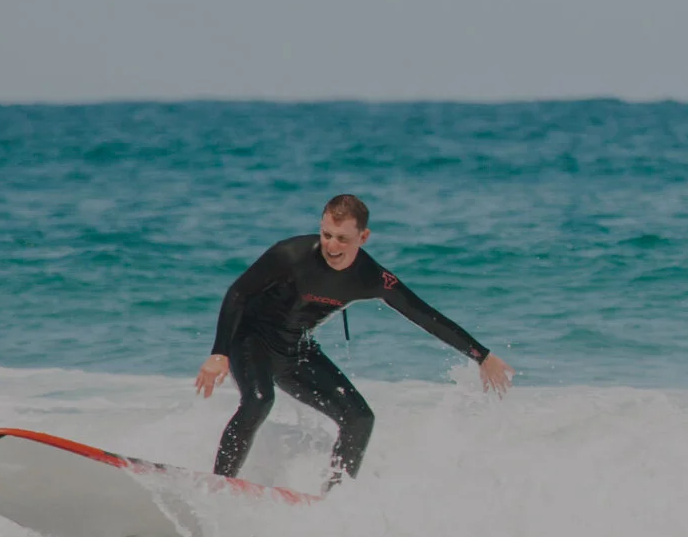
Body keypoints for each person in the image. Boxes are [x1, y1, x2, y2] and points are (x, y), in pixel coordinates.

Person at [193, 194, 514, 488]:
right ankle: (220, 486)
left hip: (297, 350)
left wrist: (482, 356)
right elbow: (238, 293)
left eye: (342, 239)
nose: (332, 246)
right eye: (326, 235)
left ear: (363, 237)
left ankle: (334, 498)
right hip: (251, 340)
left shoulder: (373, 278)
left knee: (360, 419)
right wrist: (219, 353)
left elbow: (424, 315)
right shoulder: (290, 254)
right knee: (259, 400)